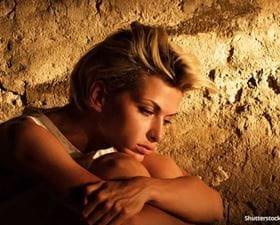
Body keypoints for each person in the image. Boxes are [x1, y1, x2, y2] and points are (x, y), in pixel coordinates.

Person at [0, 22, 223, 225]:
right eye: (146, 111)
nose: (158, 134)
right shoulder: (26, 136)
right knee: (120, 168)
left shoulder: (119, 143)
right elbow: (125, 222)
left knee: (148, 173)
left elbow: (214, 207)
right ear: (99, 96)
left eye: (167, 121)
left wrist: (147, 189)